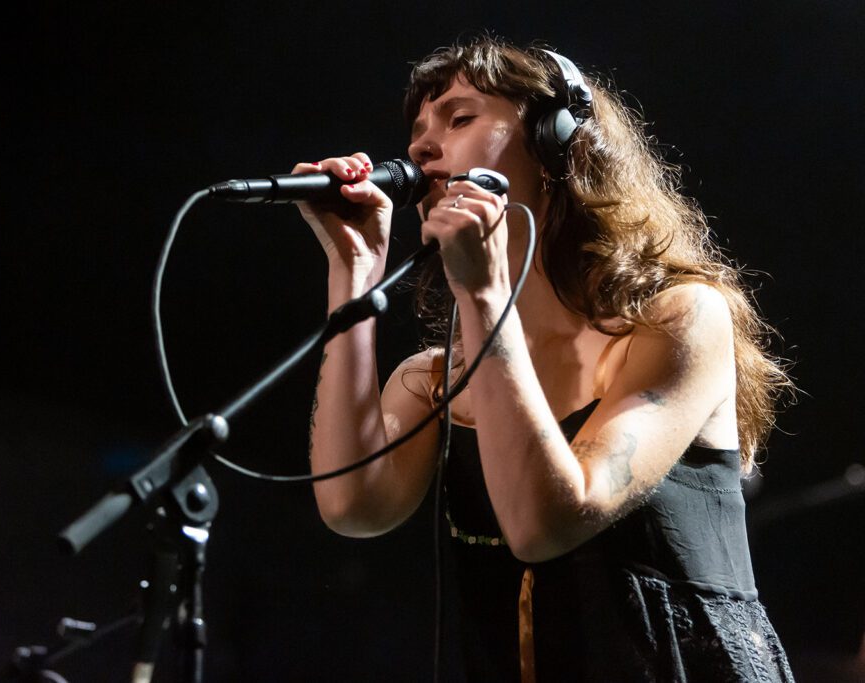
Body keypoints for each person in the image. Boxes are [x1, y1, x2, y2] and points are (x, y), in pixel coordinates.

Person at [295, 36, 795, 682]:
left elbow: (544, 522)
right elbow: (351, 502)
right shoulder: (436, 380)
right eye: (418, 128)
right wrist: (353, 272)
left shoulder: (679, 321)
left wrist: (483, 292)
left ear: (555, 141)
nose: (421, 146)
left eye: (459, 116)